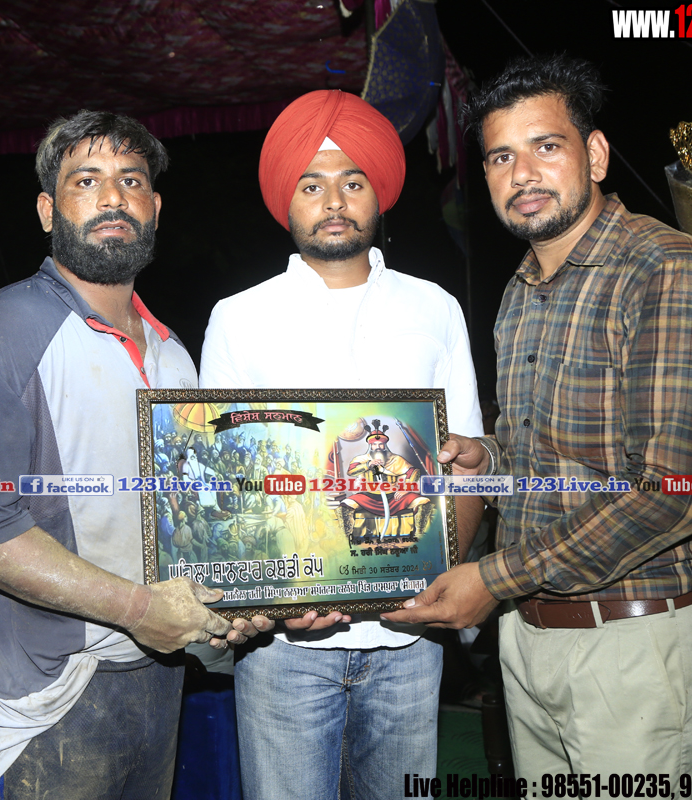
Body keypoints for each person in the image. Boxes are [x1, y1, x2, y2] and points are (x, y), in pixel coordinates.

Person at [388, 55, 692, 776]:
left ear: (596, 154)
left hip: (633, 648)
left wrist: (492, 578)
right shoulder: (520, 291)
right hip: (527, 641)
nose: (523, 174)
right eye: (500, 157)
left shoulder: (667, 268)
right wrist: (489, 459)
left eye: (546, 146)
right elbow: (549, 462)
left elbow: (668, 493)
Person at [0, 110, 270, 800]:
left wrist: (236, 601)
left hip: (159, 675)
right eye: (86, 181)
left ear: (155, 208)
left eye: (131, 181)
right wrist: (140, 610)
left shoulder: (172, 355)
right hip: (45, 699)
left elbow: (191, 520)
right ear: (47, 210)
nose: (113, 197)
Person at [200, 89, 484, 800]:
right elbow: (226, 486)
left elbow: (468, 462)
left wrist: (438, 581)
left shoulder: (434, 308)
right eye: (311, 184)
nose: (334, 201)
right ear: (286, 201)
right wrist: (273, 600)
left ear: (378, 194)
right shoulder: (238, 318)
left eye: (353, 182)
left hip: (410, 642)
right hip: (283, 649)